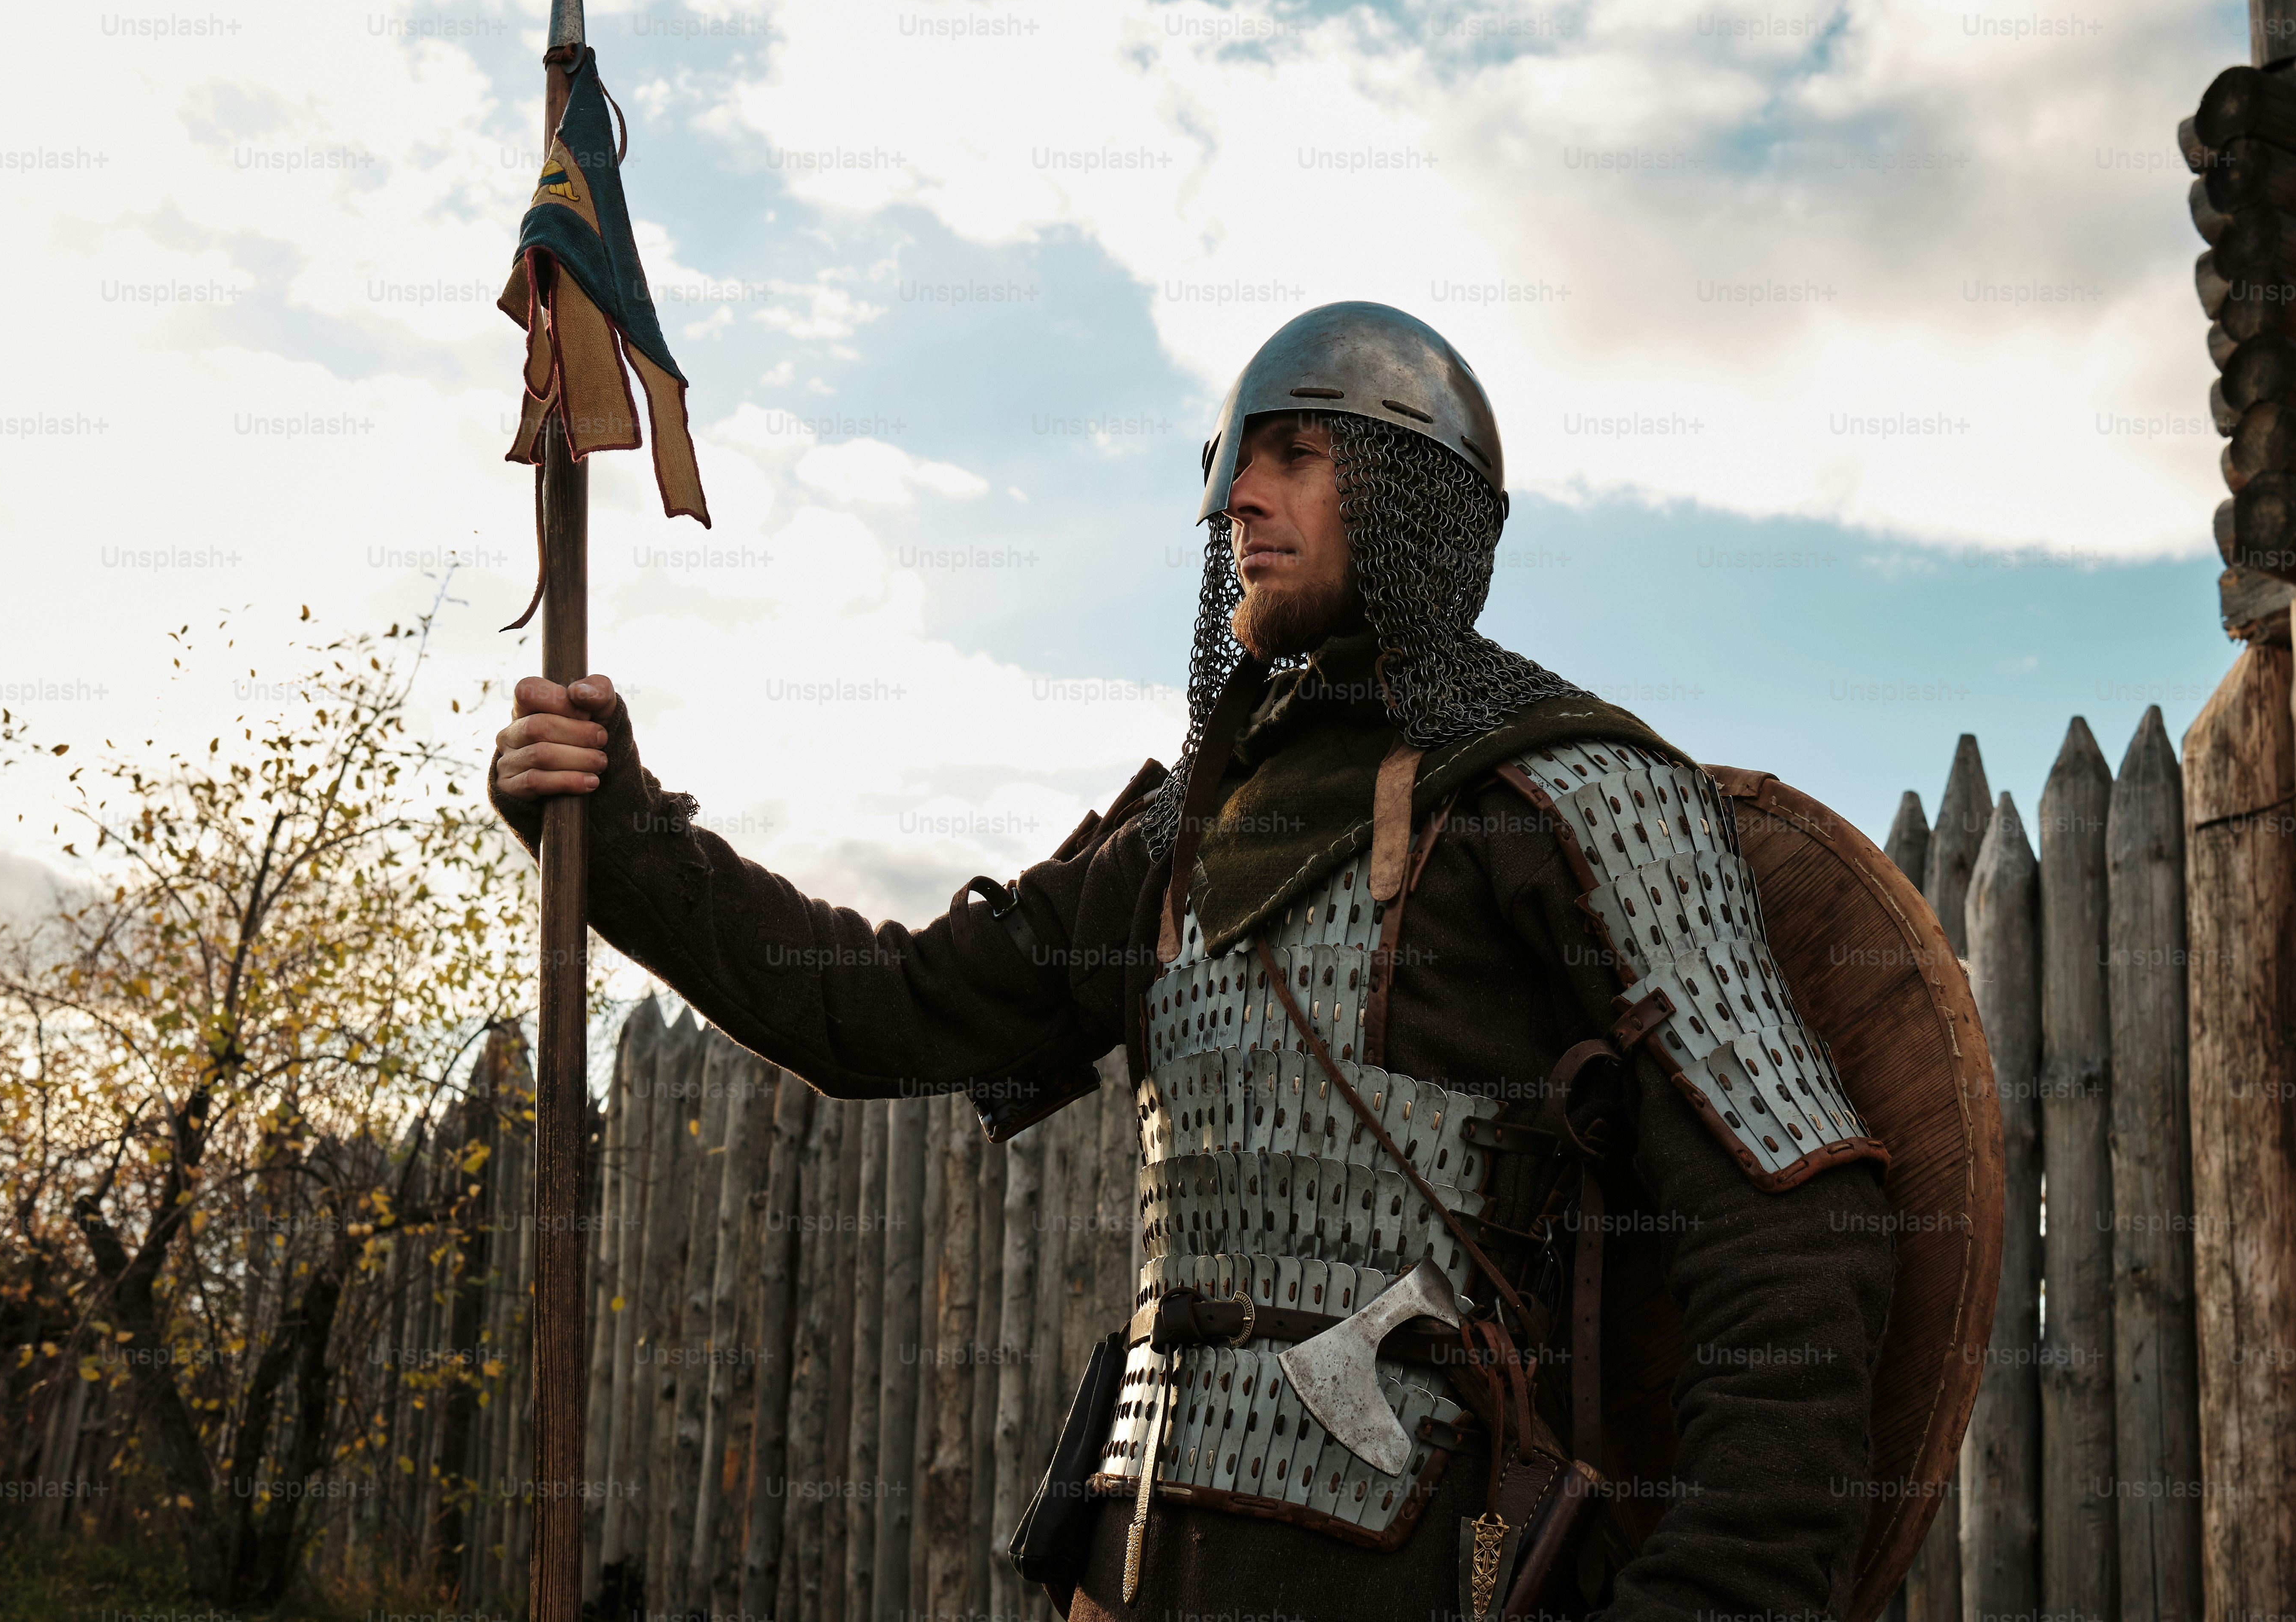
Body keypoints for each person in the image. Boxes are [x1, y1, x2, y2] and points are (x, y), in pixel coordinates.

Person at [493, 302, 1895, 1622]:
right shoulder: (1180, 838)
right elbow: (885, 1013)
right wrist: (619, 833)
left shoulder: (1568, 797)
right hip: (1140, 1556)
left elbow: (1793, 1230)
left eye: (1296, 455)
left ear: (1418, 501)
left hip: (1428, 1569)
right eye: (1233, 459)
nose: (1236, 497)